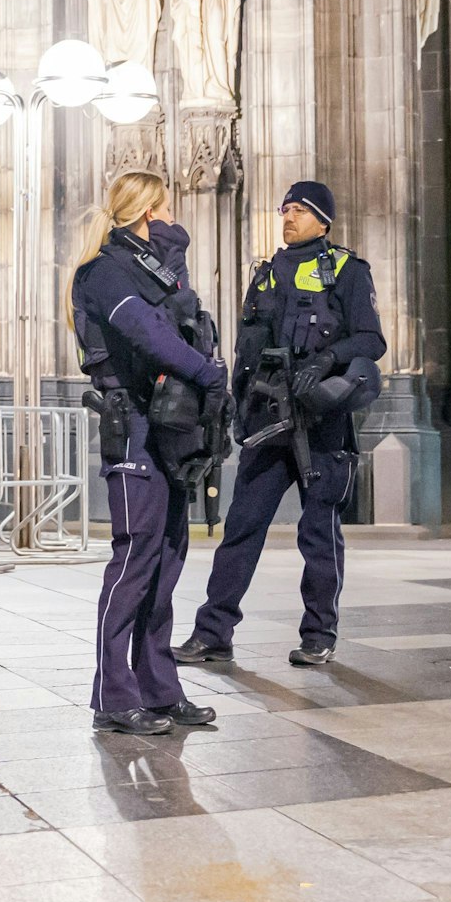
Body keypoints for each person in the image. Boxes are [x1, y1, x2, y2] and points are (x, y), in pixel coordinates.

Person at [173, 181, 385, 669]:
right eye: (285, 209)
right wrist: (235, 407)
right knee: (241, 528)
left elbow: (371, 341)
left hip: (321, 422)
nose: (288, 218)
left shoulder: (347, 271)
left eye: (300, 211)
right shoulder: (266, 275)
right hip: (269, 419)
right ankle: (213, 633)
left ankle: (318, 635)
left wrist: (329, 358)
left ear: (323, 220)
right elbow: (247, 350)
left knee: (318, 533)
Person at [71, 172, 223, 736]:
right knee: (135, 559)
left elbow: (185, 319)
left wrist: (173, 260)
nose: (173, 219)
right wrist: (209, 373)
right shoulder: (104, 271)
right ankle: (114, 695)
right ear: (147, 211)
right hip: (133, 423)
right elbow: (150, 334)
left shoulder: (153, 268)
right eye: (167, 210)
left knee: (166, 560)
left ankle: (158, 689)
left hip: (171, 426)